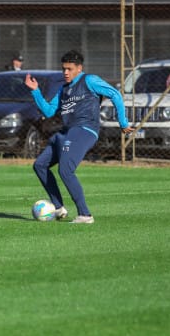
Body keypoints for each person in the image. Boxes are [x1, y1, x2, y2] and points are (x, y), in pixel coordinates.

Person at [24, 49, 133, 224]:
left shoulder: (89, 80)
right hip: (66, 132)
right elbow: (48, 111)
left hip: (84, 130)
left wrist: (123, 122)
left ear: (79, 68)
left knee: (65, 170)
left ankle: (85, 215)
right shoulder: (63, 89)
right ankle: (58, 209)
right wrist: (35, 91)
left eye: (69, 69)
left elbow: (115, 94)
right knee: (40, 165)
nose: (65, 73)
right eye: (63, 69)